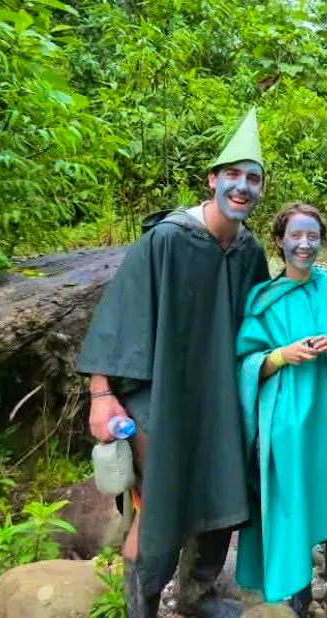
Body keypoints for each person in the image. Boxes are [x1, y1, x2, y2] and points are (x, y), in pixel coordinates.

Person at [79, 108, 270, 618]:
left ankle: (198, 593)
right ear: (213, 179)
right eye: (233, 175)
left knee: (230, 482)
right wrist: (102, 395)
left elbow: (262, 325)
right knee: (160, 493)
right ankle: (141, 603)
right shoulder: (166, 239)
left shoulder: (250, 250)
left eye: (253, 179)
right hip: (160, 393)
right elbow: (117, 319)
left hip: (222, 397)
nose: (242, 187)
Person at [234, 203, 327, 618]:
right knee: (292, 497)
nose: (304, 244)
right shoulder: (262, 300)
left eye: (312, 236)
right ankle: (296, 588)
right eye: (295, 236)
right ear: (279, 241)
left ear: (322, 240)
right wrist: (279, 355)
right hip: (287, 417)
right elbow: (244, 362)